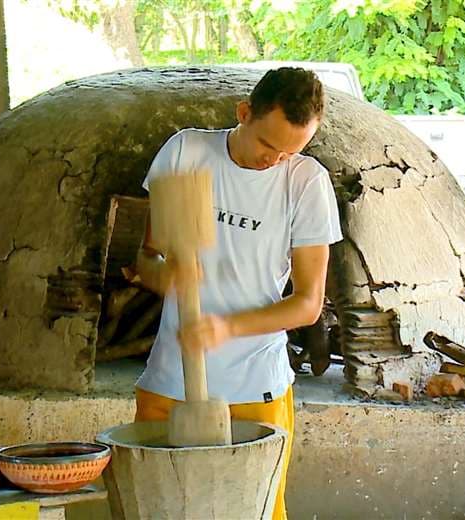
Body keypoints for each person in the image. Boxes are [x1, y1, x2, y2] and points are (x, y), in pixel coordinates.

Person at [133, 67, 342, 520]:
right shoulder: (187, 152)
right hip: (171, 382)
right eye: (268, 145)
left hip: (255, 387)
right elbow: (147, 257)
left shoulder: (306, 183)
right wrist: (164, 276)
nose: (276, 160)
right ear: (244, 113)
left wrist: (226, 328)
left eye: (290, 152)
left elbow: (308, 304)